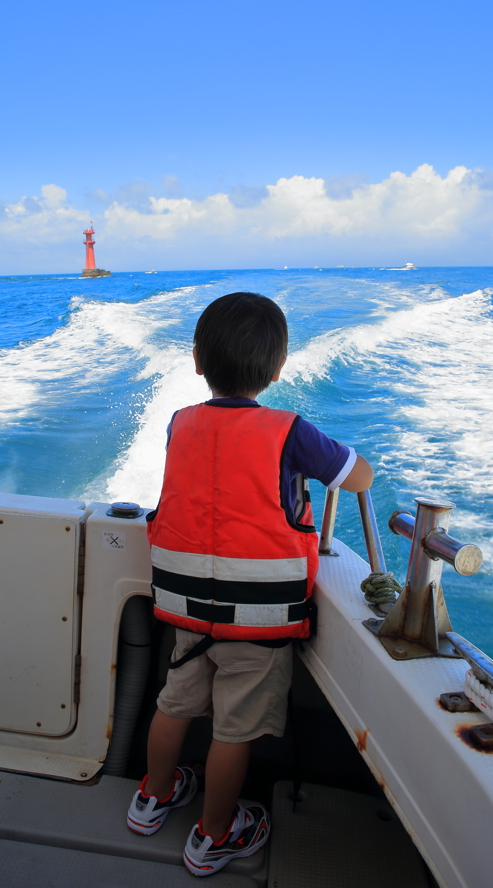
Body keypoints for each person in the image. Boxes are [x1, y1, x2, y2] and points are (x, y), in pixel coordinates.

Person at [127, 292, 373, 876]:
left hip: (187, 612)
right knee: (233, 731)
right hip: (256, 627)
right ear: (278, 369)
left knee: (173, 705)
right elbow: (358, 476)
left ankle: (151, 797)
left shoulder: (178, 424)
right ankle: (214, 835)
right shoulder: (291, 432)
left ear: (197, 362)